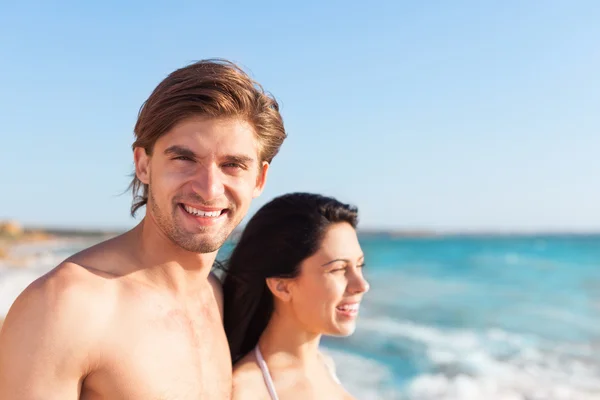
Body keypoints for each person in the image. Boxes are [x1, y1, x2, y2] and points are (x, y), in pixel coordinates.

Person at [0, 59, 287, 399]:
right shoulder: (65, 307)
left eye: (232, 165)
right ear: (143, 164)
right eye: (184, 159)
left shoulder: (217, 295)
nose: (209, 188)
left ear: (259, 179)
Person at [219, 192, 370, 400]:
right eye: (338, 269)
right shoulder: (247, 392)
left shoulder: (324, 364)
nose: (362, 285)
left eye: (359, 265)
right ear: (282, 286)